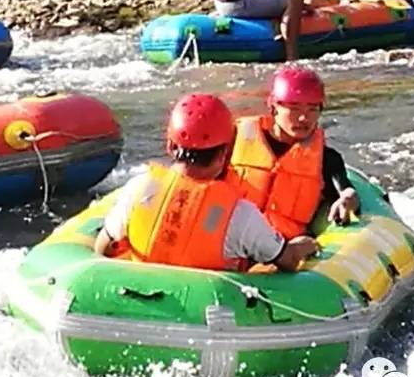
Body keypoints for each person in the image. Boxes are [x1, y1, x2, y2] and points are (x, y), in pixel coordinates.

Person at [94, 93, 319, 271]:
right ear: (224, 153)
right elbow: (287, 261)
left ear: (171, 146)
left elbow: (102, 248)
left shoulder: (140, 187)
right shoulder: (240, 215)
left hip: (138, 300)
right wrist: (303, 245)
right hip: (207, 315)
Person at [229, 66, 359, 238]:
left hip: (283, 252)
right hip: (229, 243)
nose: (304, 118)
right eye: (295, 109)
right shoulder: (233, 141)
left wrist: (347, 200)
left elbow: (347, 191)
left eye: (312, 109)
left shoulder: (326, 158)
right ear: (274, 108)